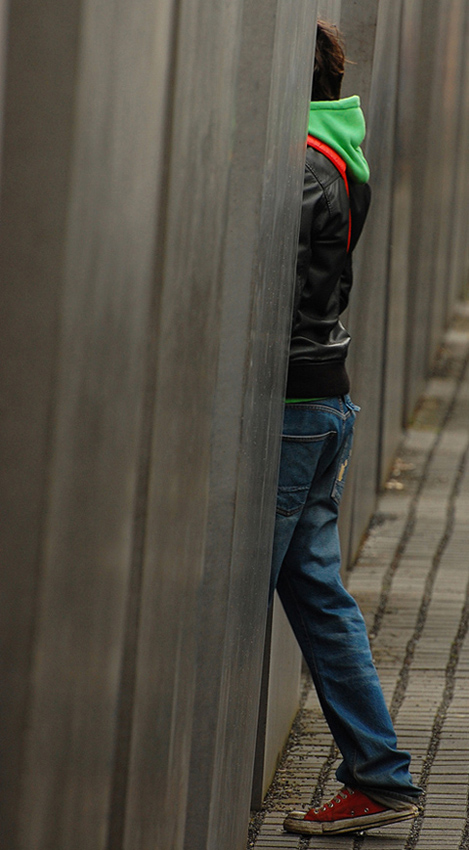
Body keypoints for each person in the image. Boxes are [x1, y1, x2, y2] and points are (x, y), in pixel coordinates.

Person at [269, 21, 422, 836]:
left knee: (228, 587)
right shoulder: (331, 154)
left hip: (293, 407)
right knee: (318, 598)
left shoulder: (299, 168)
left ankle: (381, 774)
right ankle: (379, 775)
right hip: (319, 400)